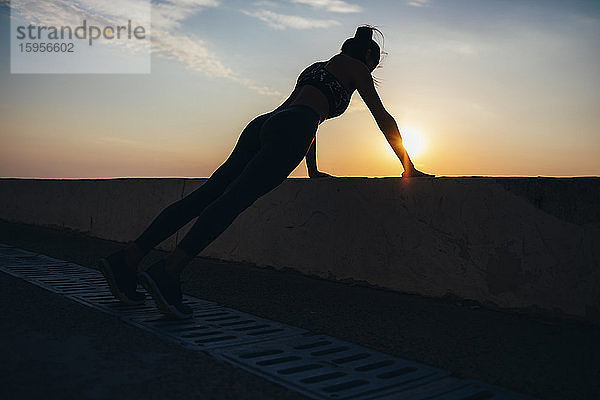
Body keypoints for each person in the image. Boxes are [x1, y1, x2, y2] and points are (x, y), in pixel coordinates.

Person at [99, 25, 433, 319]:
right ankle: (168, 272)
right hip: (292, 128)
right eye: (374, 62)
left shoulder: (317, 68)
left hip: (264, 124)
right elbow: (380, 117)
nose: (372, 68)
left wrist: (313, 169)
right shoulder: (357, 68)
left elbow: (305, 112)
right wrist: (408, 166)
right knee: (234, 201)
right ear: (369, 57)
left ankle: (128, 259)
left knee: (207, 195)